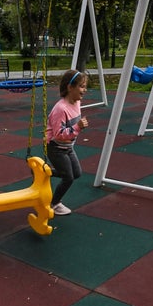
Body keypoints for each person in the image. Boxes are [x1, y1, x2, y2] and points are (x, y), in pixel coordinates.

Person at [45, 69, 89, 216]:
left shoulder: (77, 103)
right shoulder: (60, 109)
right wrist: (78, 127)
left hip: (68, 147)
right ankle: (54, 203)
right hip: (56, 148)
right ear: (70, 87)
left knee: (76, 173)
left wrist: (76, 128)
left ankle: (46, 172)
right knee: (68, 177)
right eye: (81, 86)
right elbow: (58, 134)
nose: (85, 89)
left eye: (84, 86)